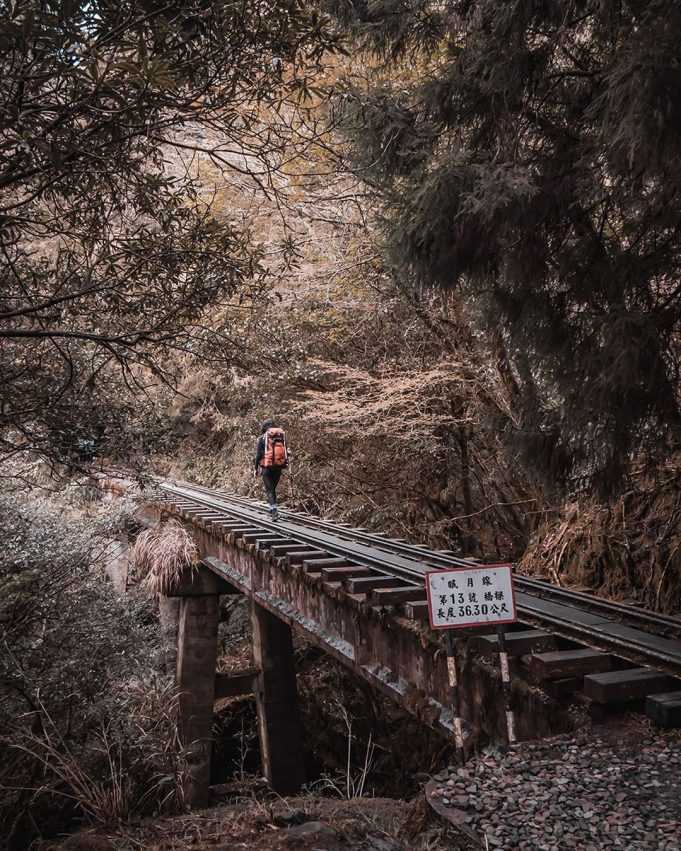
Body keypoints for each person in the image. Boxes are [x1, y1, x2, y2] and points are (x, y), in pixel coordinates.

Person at [254, 419, 289, 518]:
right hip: (278, 466)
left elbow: (258, 455)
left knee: (269, 490)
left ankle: (274, 511)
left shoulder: (262, 438)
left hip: (267, 467)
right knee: (272, 488)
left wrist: (255, 468)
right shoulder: (281, 437)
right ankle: (272, 509)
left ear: (264, 428)